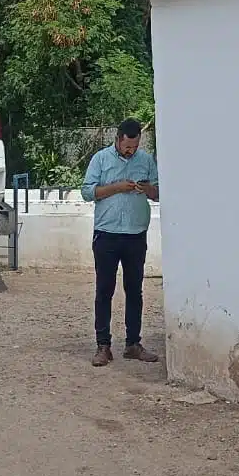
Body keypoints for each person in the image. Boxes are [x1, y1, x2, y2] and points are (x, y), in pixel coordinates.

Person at [81, 119, 160, 367]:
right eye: (128, 146)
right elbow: (87, 192)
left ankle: (133, 344)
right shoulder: (101, 159)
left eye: (135, 147)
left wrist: (147, 189)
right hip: (107, 233)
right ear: (118, 139)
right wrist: (116, 187)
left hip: (136, 234)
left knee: (134, 290)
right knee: (104, 290)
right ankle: (103, 345)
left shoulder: (145, 160)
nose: (131, 151)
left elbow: (159, 192)